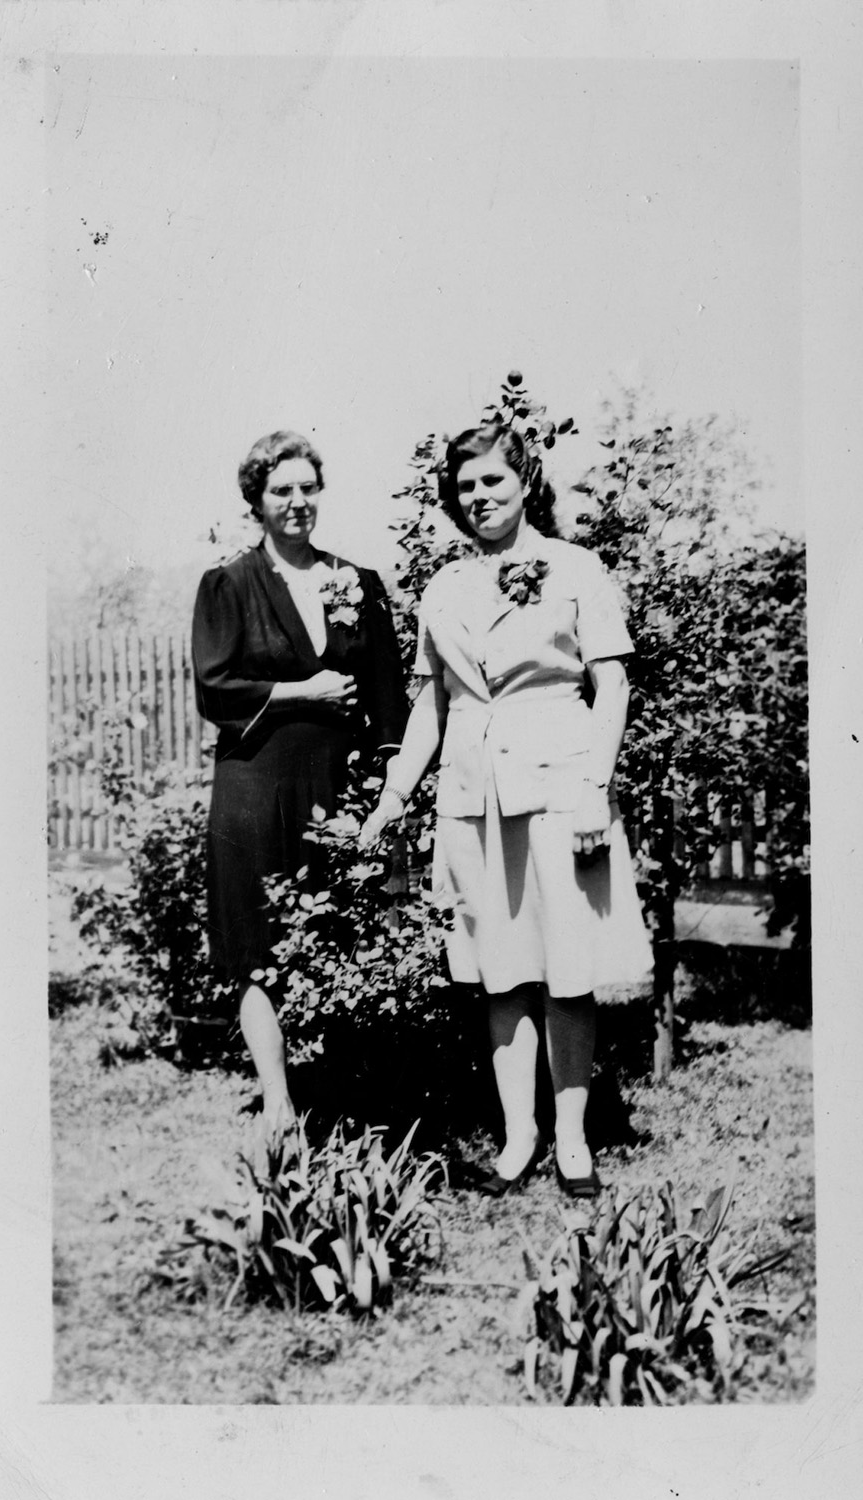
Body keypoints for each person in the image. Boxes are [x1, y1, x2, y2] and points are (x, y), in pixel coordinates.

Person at [361, 422, 652, 1198]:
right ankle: (519, 1137)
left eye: (493, 480)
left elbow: (612, 687)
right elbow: (432, 702)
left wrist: (593, 787)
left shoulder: (575, 568)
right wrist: (396, 794)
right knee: (501, 971)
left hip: (560, 785)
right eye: (466, 487)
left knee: (567, 968)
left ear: (525, 481)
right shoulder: (445, 586)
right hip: (472, 795)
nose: (480, 496)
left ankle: (572, 1140)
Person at [192, 430, 408, 1142]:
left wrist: (390, 786)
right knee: (257, 943)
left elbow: (388, 694)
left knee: (340, 928)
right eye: (280, 489)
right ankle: (279, 1100)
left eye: (307, 488)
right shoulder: (230, 584)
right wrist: (299, 692)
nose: (296, 502)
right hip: (254, 787)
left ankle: (343, 1089)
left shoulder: (357, 582)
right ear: (256, 500)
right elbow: (215, 687)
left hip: (336, 785)